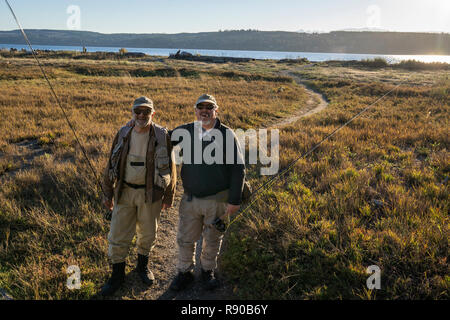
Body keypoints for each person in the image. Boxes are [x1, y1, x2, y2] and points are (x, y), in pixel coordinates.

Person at [100, 96, 177, 296]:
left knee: (148, 233)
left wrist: (169, 197)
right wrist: (108, 193)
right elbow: (111, 163)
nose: (141, 115)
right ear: (132, 113)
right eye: (138, 111)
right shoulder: (123, 132)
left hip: (150, 195)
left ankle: (142, 266)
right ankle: (117, 275)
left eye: (146, 112)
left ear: (153, 113)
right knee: (117, 234)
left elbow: (171, 167)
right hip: (124, 192)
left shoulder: (162, 135)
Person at [169, 94, 246, 291]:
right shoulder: (186, 130)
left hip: (218, 200)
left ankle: (207, 271)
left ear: (216, 110)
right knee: (185, 238)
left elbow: (238, 169)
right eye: (200, 107)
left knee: (213, 239)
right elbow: (165, 137)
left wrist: (234, 200)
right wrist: (139, 125)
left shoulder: (227, 134)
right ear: (195, 110)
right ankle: (184, 272)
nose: (204, 110)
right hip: (190, 199)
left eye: (209, 107)